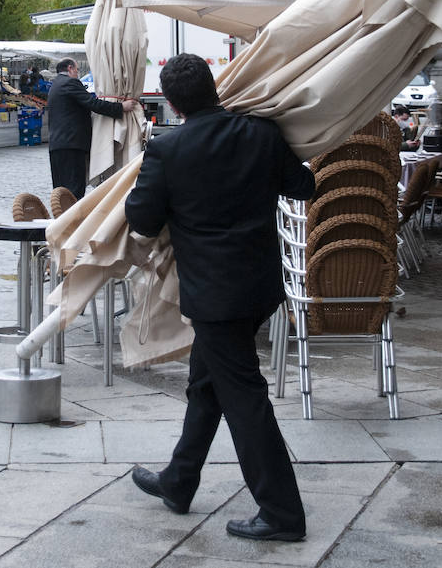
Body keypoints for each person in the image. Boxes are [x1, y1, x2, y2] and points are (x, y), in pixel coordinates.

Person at [124, 53, 314, 543]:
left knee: (244, 400)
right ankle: (179, 481)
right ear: (215, 87)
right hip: (259, 286)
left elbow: (143, 221)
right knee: (206, 385)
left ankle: (282, 513)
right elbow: (304, 185)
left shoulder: (169, 149)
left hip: (214, 293)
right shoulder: (261, 133)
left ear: (170, 101)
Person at [46, 58, 138, 199]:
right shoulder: (70, 83)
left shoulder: (55, 85)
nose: (77, 73)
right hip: (72, 144)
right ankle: (74, 219)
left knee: (60, 190)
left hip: (57, 145)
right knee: (74, 189)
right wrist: (120, 107)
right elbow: (93, 103)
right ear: (70, 68)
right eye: (77, 70)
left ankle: (61, 217)